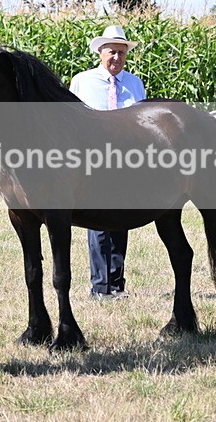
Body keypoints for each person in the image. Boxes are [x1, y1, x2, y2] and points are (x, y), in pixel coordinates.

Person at [69, 25, 146, 301]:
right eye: (112, 52)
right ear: (101, 52)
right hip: (94, 160)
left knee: (120, 220)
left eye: (122, 53)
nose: (116, 57)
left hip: (126, 161)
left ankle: (117, 283)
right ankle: (100, 286)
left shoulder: (135, 83)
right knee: (98, 223)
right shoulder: (82, 81)